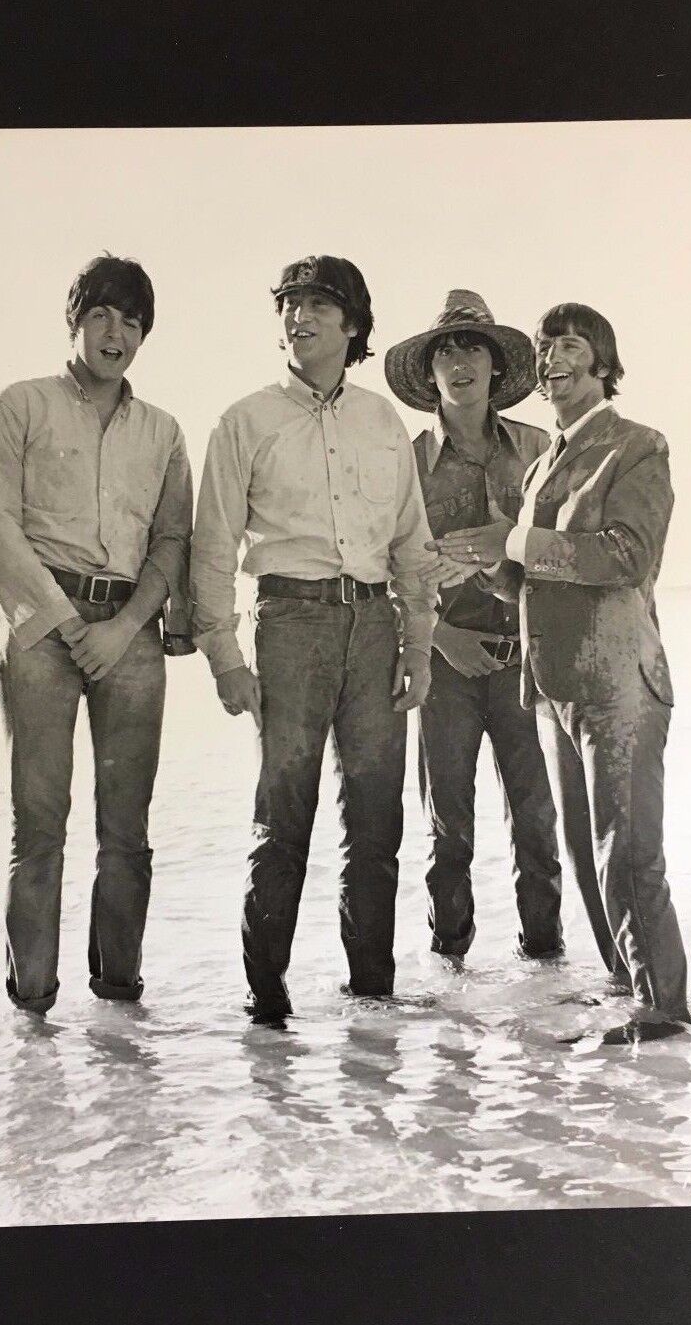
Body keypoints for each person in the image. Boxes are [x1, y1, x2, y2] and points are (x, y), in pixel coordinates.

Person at [428, 302, 690, 1040]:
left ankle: (664, 1009)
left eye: (570, 345)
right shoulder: (544, 463)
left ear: (603, 362)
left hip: (618, 684)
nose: (552, 359)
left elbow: (625, 555)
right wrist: (487, 567)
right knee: (584, 853)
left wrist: (512, 539)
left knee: (628, 852)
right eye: (544, 348)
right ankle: (625, 990)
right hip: (552, 691)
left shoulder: (636, 445)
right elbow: (532, 581)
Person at [190, 254, 437, 1023]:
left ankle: (373, 1002)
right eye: (289, 305)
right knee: (282, 819)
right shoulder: (244, 420)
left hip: (376, 626)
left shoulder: (382, 422)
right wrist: (224, 657)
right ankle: (266, 1009)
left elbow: (411, 541)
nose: (298, 318)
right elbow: (211, 547)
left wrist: (417, 644)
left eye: (317, 305)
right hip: (289, 624)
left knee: (376, 821)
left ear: (352, 324)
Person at [0, 253, 194, 1014]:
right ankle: (31, 1016)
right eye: (100, 314)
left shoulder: (164, 432)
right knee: (39, 830)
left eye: (131, 321)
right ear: (74, 322)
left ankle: (120, 1013)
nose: (114, 333)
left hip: (131, 635)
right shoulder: (21, 405)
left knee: (126, 832)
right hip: (42, 631)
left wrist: (125, 626)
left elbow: (172, 541)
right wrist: (69, 624)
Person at [384, 290, 563, 965]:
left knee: (537, 825)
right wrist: (440, 638)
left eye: (473, 350)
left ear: (496, 366)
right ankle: (449, 975)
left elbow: (563, 554)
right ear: (429, 373)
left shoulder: (541, 449)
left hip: (528, 666)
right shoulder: (404, 462)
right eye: (446, 353)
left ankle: (546, 972)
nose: (460, 364)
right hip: (445, 669)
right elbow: (382, 570)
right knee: (448, 831)